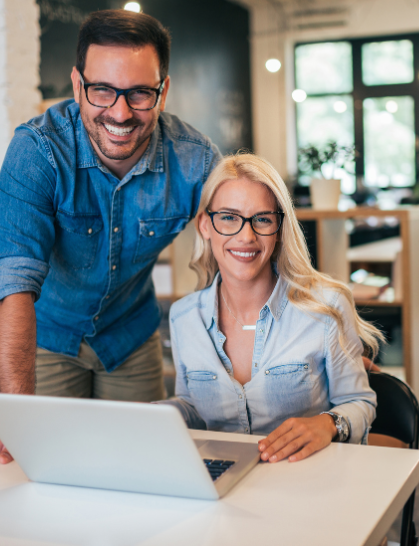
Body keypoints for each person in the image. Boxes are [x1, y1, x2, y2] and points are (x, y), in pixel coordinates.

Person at [0, 10, 221, 465]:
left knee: (142, 468)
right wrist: (16, 419)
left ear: (163, 90)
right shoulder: (37, 151)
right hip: (47, 337)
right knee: (45, 469)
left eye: (140, 93)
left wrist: (323, 335)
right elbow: (11, 282)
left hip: (130, 336)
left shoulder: (194, 160)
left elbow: (252, 248)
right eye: (102, 90)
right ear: (78, 85)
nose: (120, 113)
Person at [161, 154, 382, 463]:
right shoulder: (184, 317)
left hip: (305, 484)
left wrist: (327, 424)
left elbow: (359, 402)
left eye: (262, 219)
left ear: (279, 228)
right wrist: (157, 414)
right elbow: (193, 409)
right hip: (222, 483)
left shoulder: (326, 307)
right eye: (228, 217)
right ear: (205, 226)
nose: (246, 236)